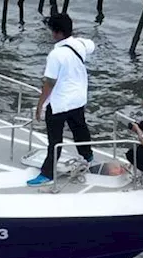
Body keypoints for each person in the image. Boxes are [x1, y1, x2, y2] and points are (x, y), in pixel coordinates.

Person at [29, 12, 95, 186]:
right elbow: (91, 45)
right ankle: (87, 155)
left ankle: (48, 173)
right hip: (78, 98)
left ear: (57, 32)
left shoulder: (55, 55)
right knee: (80, 129)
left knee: (55, 140)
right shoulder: (80, 44)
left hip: (60, 103)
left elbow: (49, 82)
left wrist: (40, 105)